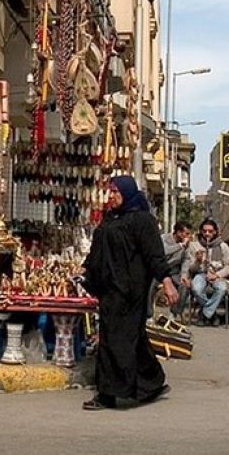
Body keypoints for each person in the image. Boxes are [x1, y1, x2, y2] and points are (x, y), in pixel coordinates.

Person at [80, 175, 179, 410]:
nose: (112, 196)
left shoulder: (142, 220)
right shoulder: (110, 219)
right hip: (109, 288)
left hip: (130, 290)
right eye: (110, 192)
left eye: (116, 192)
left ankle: (108, 394)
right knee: (131, 338)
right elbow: (98, 250)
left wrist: (166, 280)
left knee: (115, 340)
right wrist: (85, 268)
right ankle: (152, 382)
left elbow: (154, 253)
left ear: (128, 192)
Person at [182, 219, 229, 327]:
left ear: (215, 232)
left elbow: (228, 267)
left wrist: (217, 275)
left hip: (217, 274)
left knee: (222, 288)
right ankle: (212, 314)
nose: (207, 234)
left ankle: (204, 314)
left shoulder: (223, 246)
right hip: (201, 274)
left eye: (210, 231)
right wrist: (198, 261)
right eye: (204, 231)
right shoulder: (194, 245)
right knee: (196, 288)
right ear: (201, 231)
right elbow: (191, 268)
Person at [146, 221, 191, 321]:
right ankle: (148, 315)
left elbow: (186, 259)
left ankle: (173, 313)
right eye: (186, 233)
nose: (188, 236)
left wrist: (184, 274)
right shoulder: (163, 239)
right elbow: (164, 251)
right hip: (159, 270)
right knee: (150, 285)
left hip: (173, 271)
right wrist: (180, 246)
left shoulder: (186, 244)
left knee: (184, 286)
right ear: (179, 233)